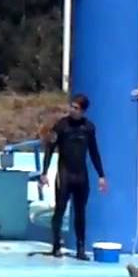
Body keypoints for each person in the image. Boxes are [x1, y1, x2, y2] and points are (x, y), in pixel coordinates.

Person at [39, 93, 107, 260]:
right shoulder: (61, 126)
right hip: (65, 175)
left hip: (81, 176)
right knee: (60, 210)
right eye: (71, 106)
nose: (72, 110)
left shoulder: (89, 128)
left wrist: (101, 175)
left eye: (76, 108)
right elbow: (49, 149)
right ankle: (56, 245)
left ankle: (80, 249)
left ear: (83, 111)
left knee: (80, 213)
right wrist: (44, 172)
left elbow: (94, 152)